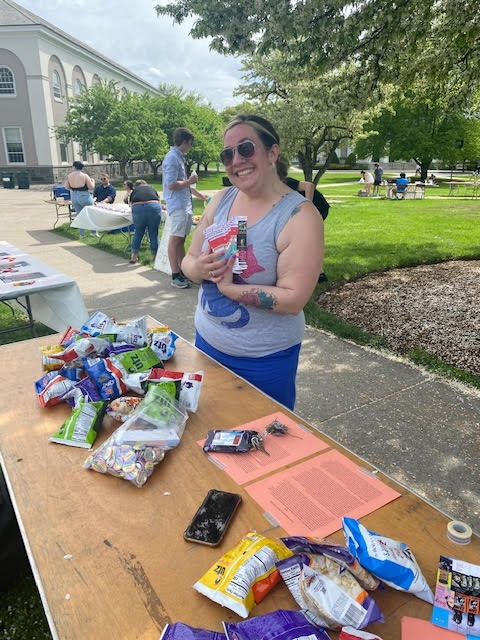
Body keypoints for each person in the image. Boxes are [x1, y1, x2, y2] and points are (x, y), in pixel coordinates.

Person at [181, 114, 323, 410]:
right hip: (207, 344)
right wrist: (198, 269)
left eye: (246, 148)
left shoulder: (300, 217)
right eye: (227, 154)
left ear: (273, 153)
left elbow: (294, 299)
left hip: (265, 362)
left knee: (262, 445)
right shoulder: (220, 200)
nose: (236, 160)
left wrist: (230, 290)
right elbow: (189, 260)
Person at [162, 127, 207, 289]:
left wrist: (199, 195)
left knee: (180, 240)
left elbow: (182, 183)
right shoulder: (172, 158)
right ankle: (175, 275)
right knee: (175, 240)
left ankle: (183, 271)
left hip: (184, 204)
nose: (191, 147)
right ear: (186, 142)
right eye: (190, 143)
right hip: (178, 205)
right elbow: (171, 184)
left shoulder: (179, 157)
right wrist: (190, 181)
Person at [277, 156, 328, 283]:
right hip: (304, 212)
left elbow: (309, 186)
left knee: (310, 239)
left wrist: (308, 206)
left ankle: (319, 273)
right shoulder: (275, 188)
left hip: (318, 207)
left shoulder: (287, 182)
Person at [129, 179, 163, 264]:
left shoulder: (135, 191)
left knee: (138, 232)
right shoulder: (151, 188)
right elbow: (159, 200)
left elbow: (130, 204)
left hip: (138, 207)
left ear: (136, 186)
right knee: (153, 233)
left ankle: (133, 256)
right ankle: (155, 257)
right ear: (146, 184)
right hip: (153, 206)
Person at [64, 161, 95, 238]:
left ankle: (82, 234)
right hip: (84, 195)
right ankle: (93, 232)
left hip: (74, 195)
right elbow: (91, 187)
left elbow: (67, 187)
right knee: (91, 213)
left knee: (80, 215)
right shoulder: (84, 175)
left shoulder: (69, 176)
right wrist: (93, 181)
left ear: (74, 167)